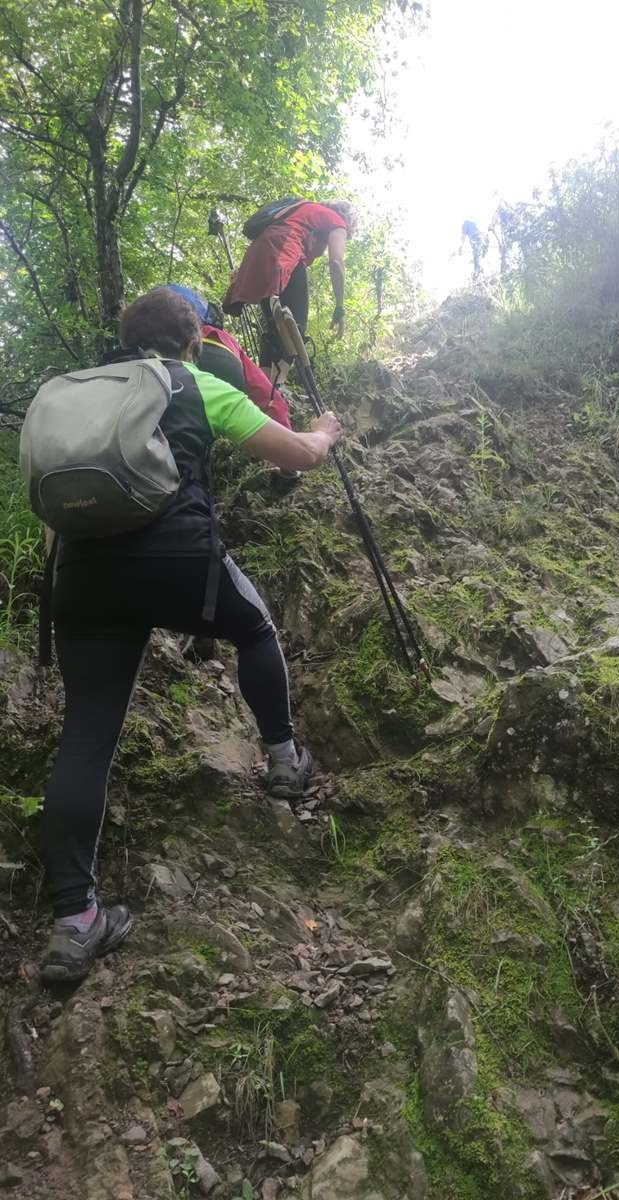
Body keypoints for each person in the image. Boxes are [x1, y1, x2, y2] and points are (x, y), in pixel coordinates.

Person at [39, 288, 342, 984]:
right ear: (191, 340)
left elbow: (54, 511)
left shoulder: (74, 397)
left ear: (123, 338)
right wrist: (325, 431)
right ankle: (283, 759)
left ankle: (74, 924)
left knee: (87, 732)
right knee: (255, 626)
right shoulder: (193, 382)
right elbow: (295, 455)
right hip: (178, 562)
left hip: (82, 578)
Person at [223, 200, 356, 375]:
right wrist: (339, 307)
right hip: (285, 253)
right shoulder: (337, 221)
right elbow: (336, 262)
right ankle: (276, 388)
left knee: (274, 329)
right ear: (349, 222)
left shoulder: (307, 210)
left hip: (259, 255)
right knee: (295, 327)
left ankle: (264, 390)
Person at [164, 284, 291, 429]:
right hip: (221, 351)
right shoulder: (223, 337)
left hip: (166, 368)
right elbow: (265, 392)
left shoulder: (149, 336)